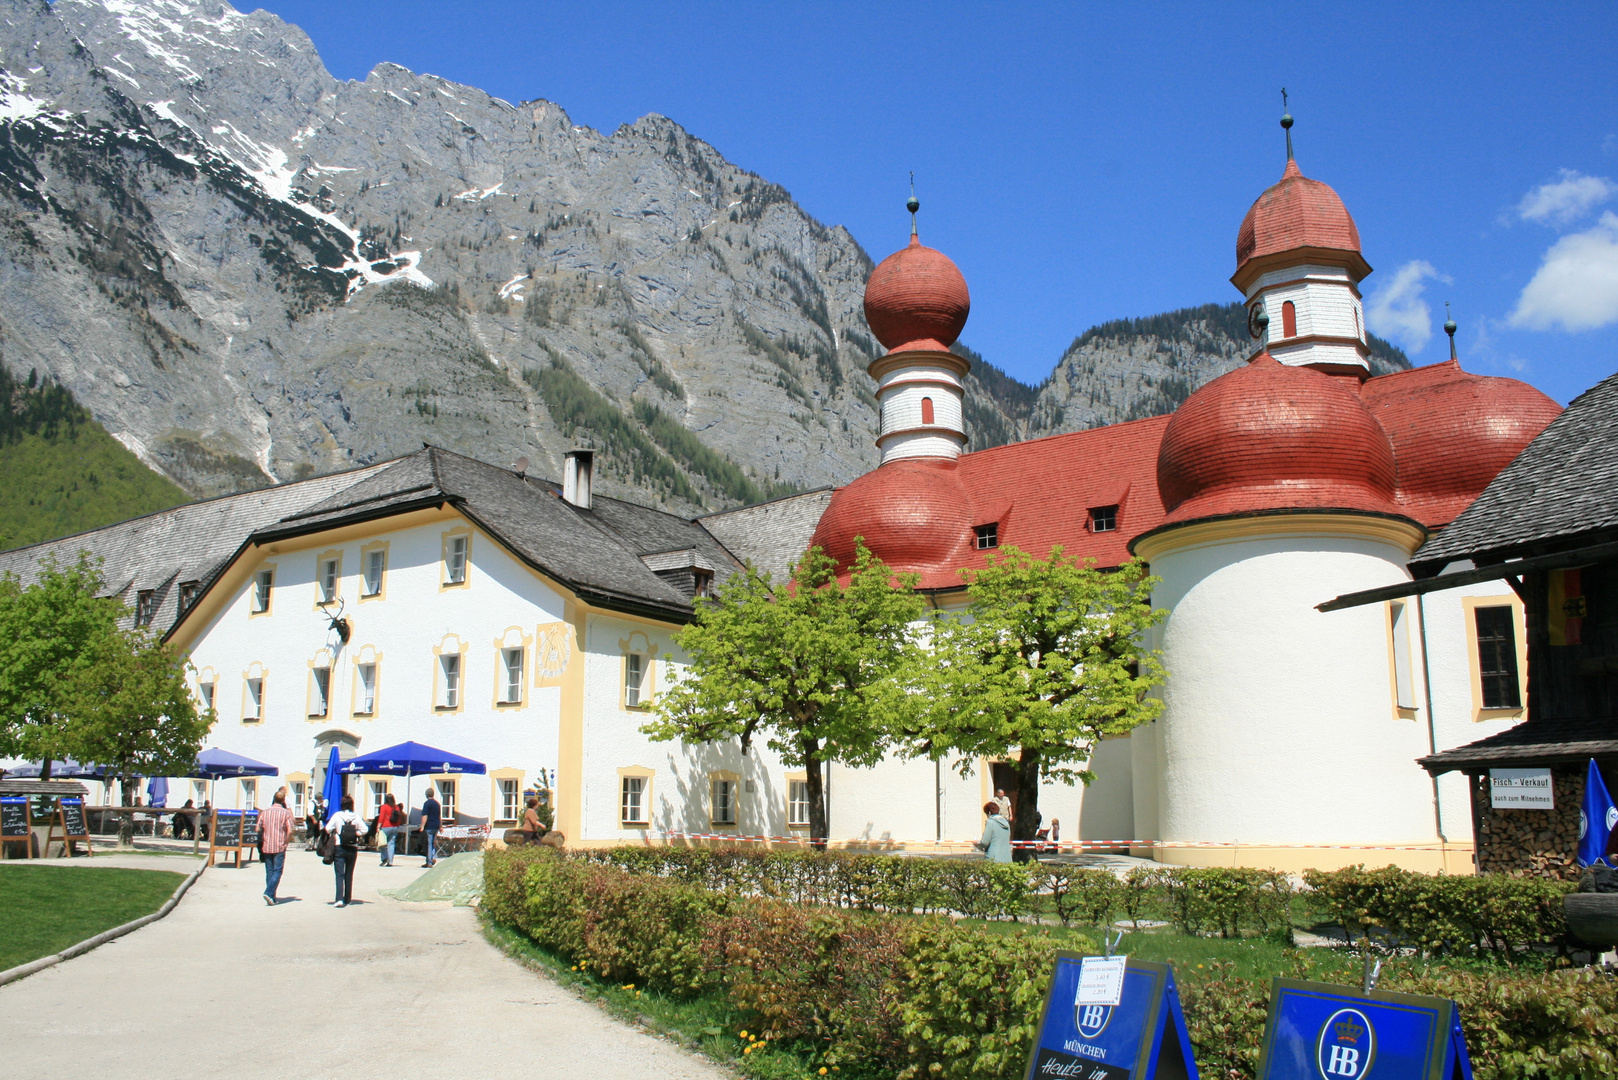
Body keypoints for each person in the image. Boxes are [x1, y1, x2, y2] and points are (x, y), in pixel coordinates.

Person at [325, 794, 365, 907]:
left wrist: (336, 832)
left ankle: (339, 899)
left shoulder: (337, 815)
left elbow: (327, 829)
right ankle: (348, 898)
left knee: (339, 874)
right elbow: (365, 829)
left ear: (342, 804)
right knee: (349, 873)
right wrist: (356, 833)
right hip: (352, 847)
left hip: (339, 846)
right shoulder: (356, 816)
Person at [260, 787, 295, 905]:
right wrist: (287, 840)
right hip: (279, 844)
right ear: (284, 800)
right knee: (278, 871)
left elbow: (257, 827)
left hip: (267, 844)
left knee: (269, 871)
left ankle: (272, 897)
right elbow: (290, 830)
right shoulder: (286, 813)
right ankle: (269, 892)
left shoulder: (265, 812)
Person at [420, 788, 442, 868]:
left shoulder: (427, 803)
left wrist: (422, 826)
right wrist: (440, 826)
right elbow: (439, 816)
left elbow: (425, 816)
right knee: (433, 843)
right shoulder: (437, 804)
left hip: (429, 826)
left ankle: (429, 861)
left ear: (426, 794)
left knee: (429, 844)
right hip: (436, 825)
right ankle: (433, 858)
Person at [378, 793, 401, 867]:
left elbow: (381, 817)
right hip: (395, 827)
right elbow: (399, 818)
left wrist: (378, 826)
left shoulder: (384, 807)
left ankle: (385, 858)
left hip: (386, 826)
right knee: (391, 844)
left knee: (382, 843)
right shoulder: (396, 807)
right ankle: (390, 861)